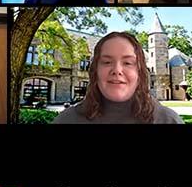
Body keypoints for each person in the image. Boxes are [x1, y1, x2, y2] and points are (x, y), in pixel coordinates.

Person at [53, 32, 183, 124]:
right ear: (94, 71)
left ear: (140, 72)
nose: (117, 70)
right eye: (107, 62)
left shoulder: (168, 120)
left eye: (127, 63)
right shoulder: (66, 120)